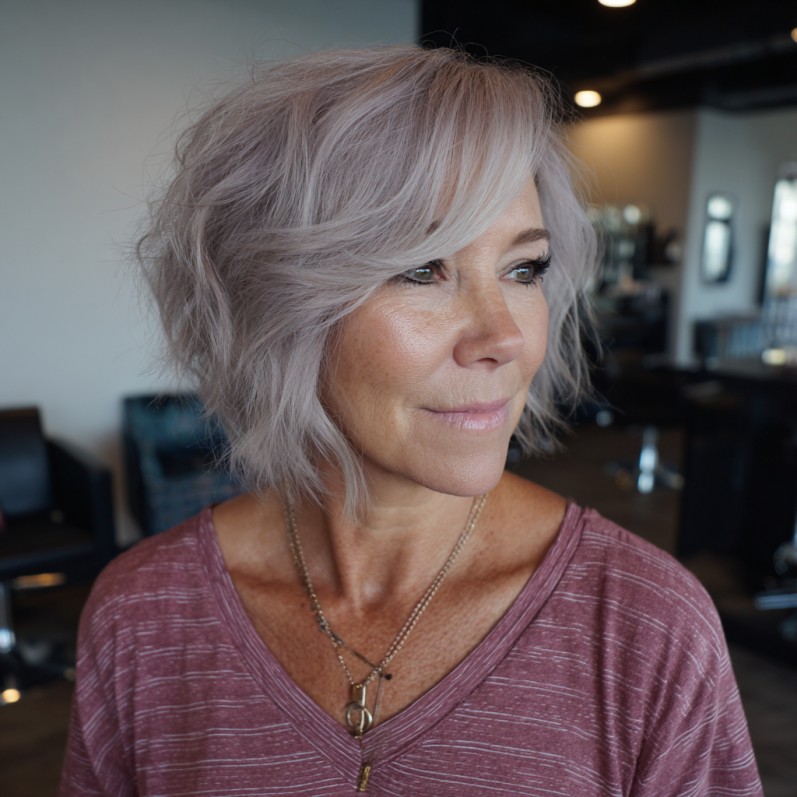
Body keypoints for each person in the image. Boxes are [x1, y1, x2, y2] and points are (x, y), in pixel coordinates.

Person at [59, 46, 762, 796]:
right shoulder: (142, 616)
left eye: (523, 269)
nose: (503, 337)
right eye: (422, 268)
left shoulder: (644, 626)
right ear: (277, 304)